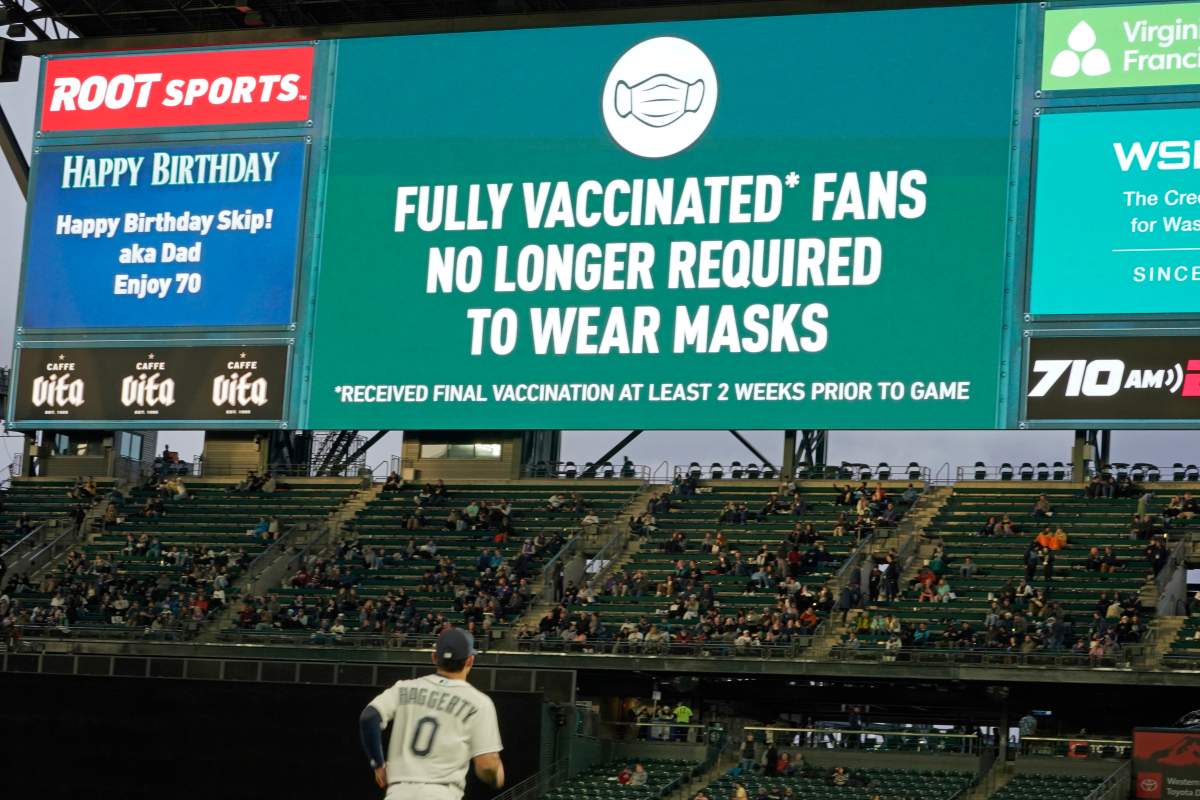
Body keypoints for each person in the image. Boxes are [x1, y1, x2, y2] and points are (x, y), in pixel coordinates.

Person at [358, 627, 505, 799]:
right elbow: (487, 764)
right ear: (470, 661)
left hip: (398, 792)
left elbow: (369, 717)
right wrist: (495, 776)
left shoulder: (404, 688)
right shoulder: (478, 702)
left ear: (434, 657)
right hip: (441, 793)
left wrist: (378, 764)